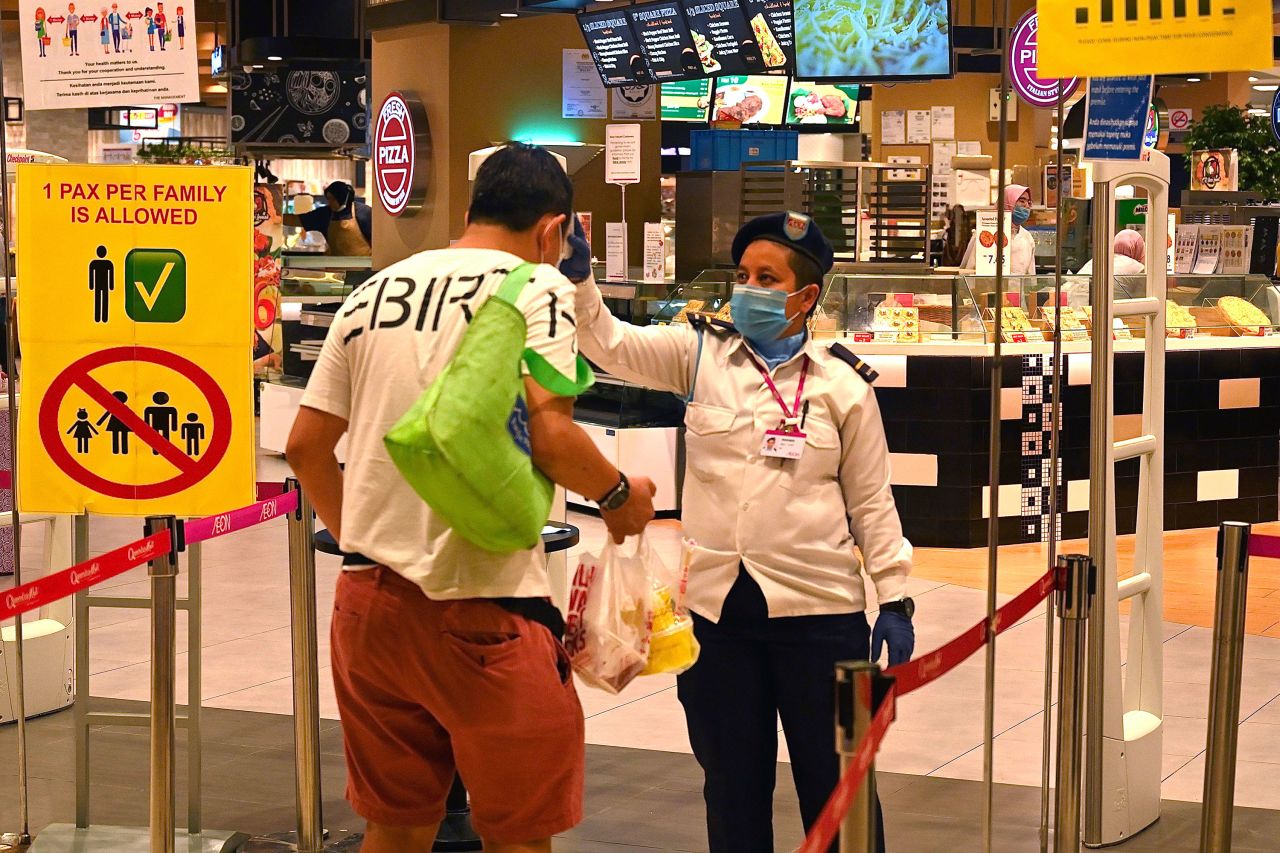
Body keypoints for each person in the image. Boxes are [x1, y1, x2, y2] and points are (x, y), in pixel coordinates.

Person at [285, 142, 656, 853]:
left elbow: (305, 446)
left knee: (394, 825)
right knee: (517, 832)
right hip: (483, 608)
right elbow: (550, 432)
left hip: (367, 611)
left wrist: (364, 541)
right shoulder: (534, 286)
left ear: (466, 213)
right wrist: (618, 496)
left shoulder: (372, 293)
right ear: (555, 230)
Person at [567, 210, 914, 853]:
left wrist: (894, 596)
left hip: (822, 617)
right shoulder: (699, 354)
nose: (747, 287)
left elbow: (871, 502)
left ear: (805, 296)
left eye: (767, 277)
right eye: (743, 273)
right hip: (718, 617)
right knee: (731, 787)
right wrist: (583, 285)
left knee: (841, 792)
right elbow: (609, 344)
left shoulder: (843, 386)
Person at [960, 184, 1037, 275]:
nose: (1026, 206)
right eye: (1022, 201)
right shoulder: (984, 234)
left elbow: (1030, 278)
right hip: (987, 289)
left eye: (1029, 202)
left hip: (1016, 289)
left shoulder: (1027, 237)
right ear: (1007, 202)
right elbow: (968, 272)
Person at [283, 181, 373, 257]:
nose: (330, 203)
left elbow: (377, 242)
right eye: (328, 199)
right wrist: (276, 217)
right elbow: (296, 220)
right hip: (335, 267)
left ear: (342, 198)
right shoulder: (325, 214)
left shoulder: (363, 213)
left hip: (363, 268)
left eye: (333, 199)